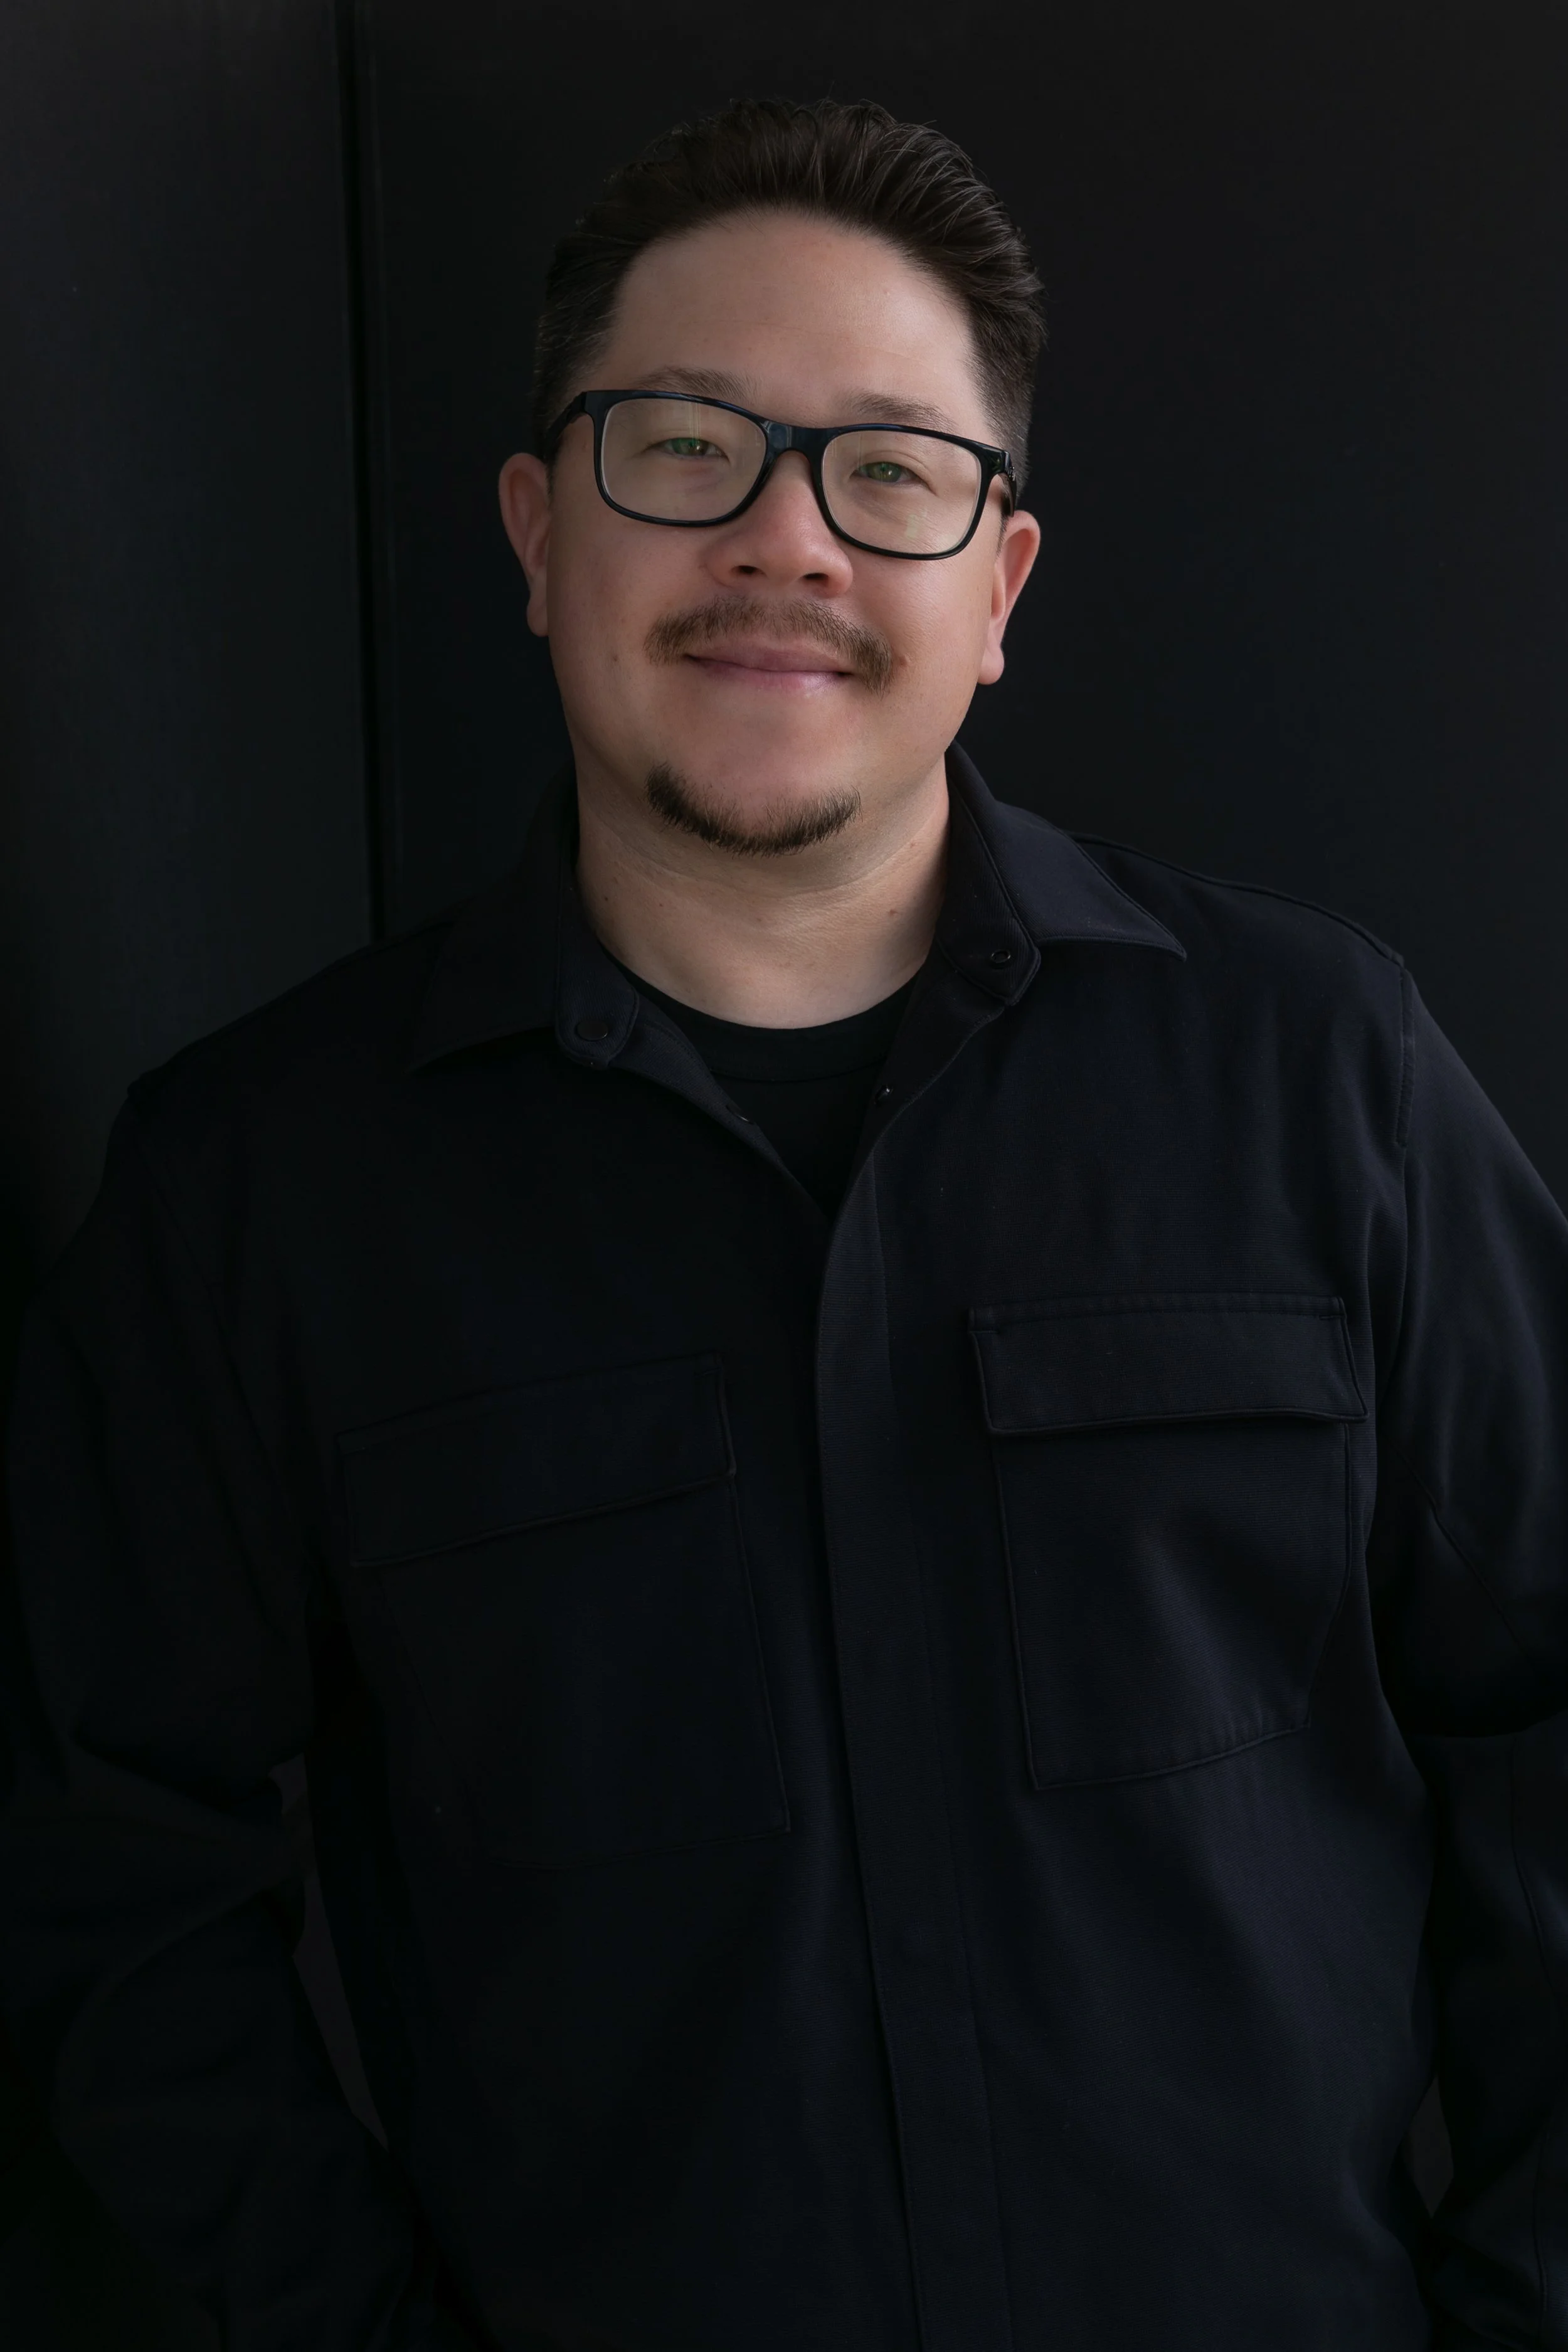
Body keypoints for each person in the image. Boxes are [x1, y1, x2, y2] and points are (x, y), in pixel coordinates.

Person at [1, 92, 1564, 2352]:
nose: (784, 540)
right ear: (538, 533)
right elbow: (101, 1883)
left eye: (889, 472)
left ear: (993, 585)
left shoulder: (1323, 1075)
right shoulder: (260, 1191)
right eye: (683, 446)